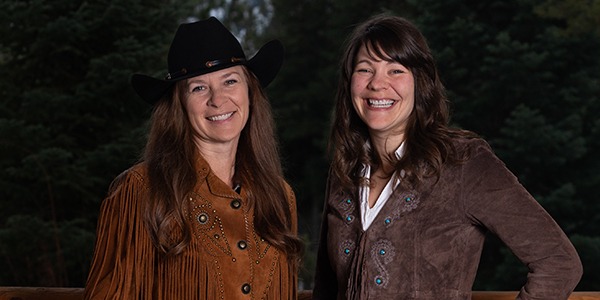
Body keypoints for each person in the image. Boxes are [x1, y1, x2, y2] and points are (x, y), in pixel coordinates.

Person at [312, 14, 582, 300]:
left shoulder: (464, 162)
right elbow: (325, 288)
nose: (377, 84)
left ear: (420, 82)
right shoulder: (345, 169)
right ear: (350, 82)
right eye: (365, 69)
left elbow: (558, 262)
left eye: (396, 70)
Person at [83, 16, 303, 299]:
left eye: (230, 81)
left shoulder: (280, 196)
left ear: (250, 91)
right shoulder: (141, 190)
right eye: (199, 87)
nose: (217, 99)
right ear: (179, 104)